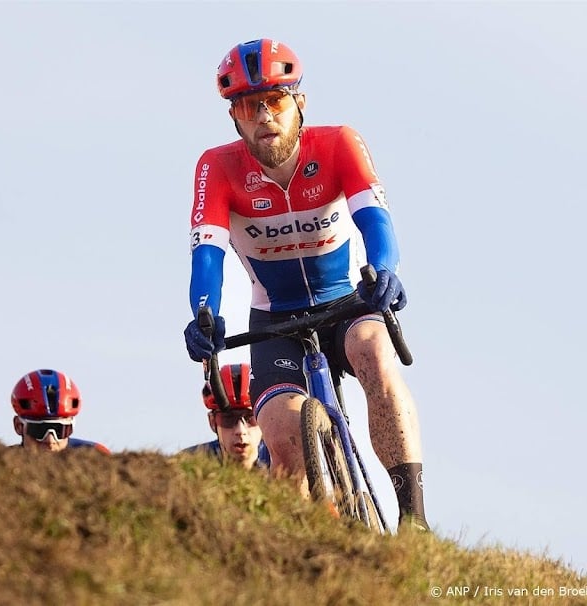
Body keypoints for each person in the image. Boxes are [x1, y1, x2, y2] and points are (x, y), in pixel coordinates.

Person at [183, 38, 428, 531]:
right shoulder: (217, 167)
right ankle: (314, 544)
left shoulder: (338, 143)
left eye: (274, 101)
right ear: (235, 117)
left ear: (299, 103)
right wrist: (203, 313)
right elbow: (206, 256)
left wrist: (383, 270)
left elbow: (377, 223)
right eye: (250, 106)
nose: (264, 117)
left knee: (372, 350)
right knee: (278, 429)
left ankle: (413, 518)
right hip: (273, 320)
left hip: (345, 301)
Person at [182, 363, 270, 470]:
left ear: (265, 420)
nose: (240, 430)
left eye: (250, 418)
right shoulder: (188, 461)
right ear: (212, 422)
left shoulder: (286, 458)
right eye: (228, 419)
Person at [10, 369, 110, 454]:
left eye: (59, 430)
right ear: (19, 426)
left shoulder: (97, 454)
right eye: (39, 430)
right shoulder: (0, 462)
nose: (50, 440)